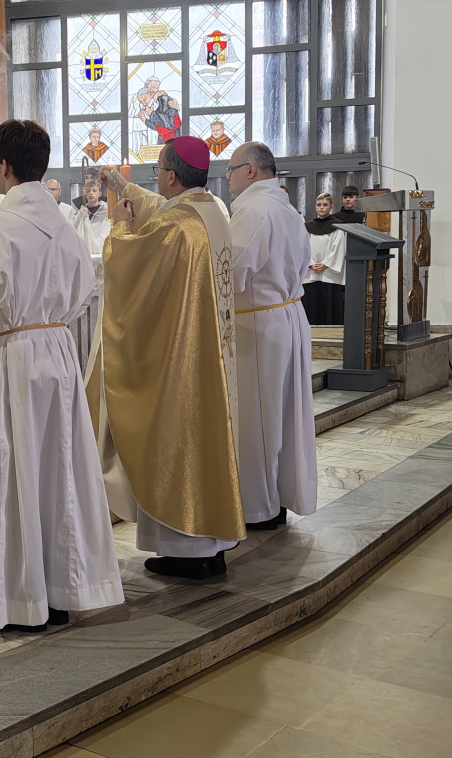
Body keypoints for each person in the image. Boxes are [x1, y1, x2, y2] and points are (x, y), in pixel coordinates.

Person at [0, 119, 123, 633]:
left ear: (4, 166)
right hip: (58, 350)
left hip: (14, 355)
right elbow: (83, 291)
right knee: (60, 466)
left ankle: (19, 597)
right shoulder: (67, 229)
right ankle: (65, 588)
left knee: (14, 465)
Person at [91, 137, 244, 579]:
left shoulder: (178, 226)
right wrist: (121, 185)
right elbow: (159, 208)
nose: (156, 176)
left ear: (173, 176)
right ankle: (213, 544)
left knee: (181, 436)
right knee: (211, 440)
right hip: (215, 353)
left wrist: (119, 227)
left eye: (158, 169)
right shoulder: (209, 213)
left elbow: (129, 263)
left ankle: (188, 550)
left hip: (185, 358)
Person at [227, 142, 317, 529]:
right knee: (282, 416)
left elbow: (230, 272)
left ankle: (257, 507)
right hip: (287, 314)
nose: (228, 179)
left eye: (231, 170)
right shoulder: (286, 208)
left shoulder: (254, 210)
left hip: (258, 325)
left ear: (250, 170)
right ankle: (279, 497)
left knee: (257, 418)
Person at [302, 193, 346, 325]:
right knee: (312, 305)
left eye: (325, 205)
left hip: (328, 273)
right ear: (315, 207)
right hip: (312, 272)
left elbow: (338, 248)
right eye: (319, 205)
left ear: (331, 207)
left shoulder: (338, 226)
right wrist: (310, 264)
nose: (322, 207)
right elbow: (302, 247)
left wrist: (325, 264)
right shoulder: (307, 226)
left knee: (330, 305)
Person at [73, 182, 111, 255]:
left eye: (94, 191)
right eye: (88, 191)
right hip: (83, 251)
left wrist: (93, 245)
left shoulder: (106, 213)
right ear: (85, 195)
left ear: (100, 193)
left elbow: (105, 234)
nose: (91, 193)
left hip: (99, 251)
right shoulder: (80, 213)